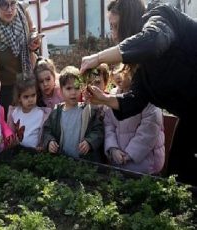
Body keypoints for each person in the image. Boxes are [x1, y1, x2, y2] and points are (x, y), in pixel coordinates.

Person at [80, 0, 197, 185]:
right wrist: (104, 99)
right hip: (191, 116)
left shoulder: (160, 17)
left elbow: (153, 41)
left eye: (115, 26)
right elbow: (134, 100)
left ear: (128, 22)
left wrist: (97, 58)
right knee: (179, 172)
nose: (113, 35)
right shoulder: (143, 69)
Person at [104, 66, 165, 174]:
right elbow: (109, 125)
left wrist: (130, 154)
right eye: (114, 71)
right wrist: (113, 148)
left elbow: (148, 131)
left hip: (145, 162)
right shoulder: (112, 96)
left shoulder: (148, 96)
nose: (118, 76)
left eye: (122, 71)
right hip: (118, 159)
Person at [42, 66, 104, 162]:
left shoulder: (88, 110)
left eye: (77, 88)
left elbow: (98, 130)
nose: (73, 92)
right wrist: (50, 142)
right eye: (69, 88)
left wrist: (89, 142)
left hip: (84, 163)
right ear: (61, 91)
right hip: (62, 161)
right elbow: (47, 131)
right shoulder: (56, 112)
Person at [7, 74, 51, 151]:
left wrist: (43, 146)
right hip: (18, 152)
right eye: (26, 97)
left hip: (35, 153)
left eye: (33, 95)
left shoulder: (41, 114)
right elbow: (10, 133)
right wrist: (11, 142)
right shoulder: (15, 112)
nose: (30, 100)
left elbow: (46, 134)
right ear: (19, 98)